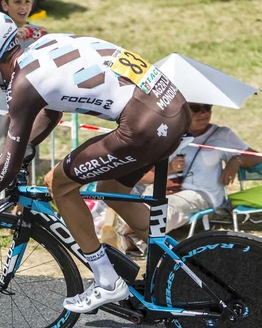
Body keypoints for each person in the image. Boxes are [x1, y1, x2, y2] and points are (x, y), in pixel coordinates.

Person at [0, 10, 191, 313]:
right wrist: (24, 148)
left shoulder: (23, 85)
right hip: (174, 108)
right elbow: (52, 111)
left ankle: (107, 281)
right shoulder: (44, 46)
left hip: (145, 125)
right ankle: (185, 266)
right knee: (109, 188)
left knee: (58, 183)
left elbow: (9, 164)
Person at [101, 102, 262, 252]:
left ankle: (120, 224)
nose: (204, 113)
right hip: (167, 186)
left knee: (166, 208)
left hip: (201, 193)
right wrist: (169, 169)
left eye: (208, 107)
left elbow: (257, 156)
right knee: (149, 200)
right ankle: (123, 243)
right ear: (184, 110)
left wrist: (237, 160)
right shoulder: (170, 134)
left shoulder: (222, 135)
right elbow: (145, 172)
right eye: (196, 108)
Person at [0, 0, 49, 155]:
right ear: (5, 5)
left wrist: (47, 41)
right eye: (17, 2)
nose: (23, 7)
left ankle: (27, 180)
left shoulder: (38, 33)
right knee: (1, 148)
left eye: (27, 1)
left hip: (31, 100)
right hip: (3, 101)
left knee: (28, 148)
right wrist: (10, 35)